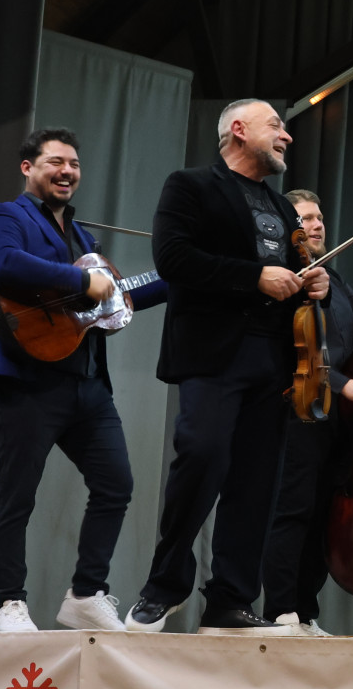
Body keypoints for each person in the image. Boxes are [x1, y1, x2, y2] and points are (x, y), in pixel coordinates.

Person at [123, 99, 328, 636]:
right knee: (202, 457)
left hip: (275, 359)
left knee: (256, 484)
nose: (287, 136)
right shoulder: (189, 185)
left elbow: (296, 273)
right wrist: (253, 276)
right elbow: (173, 260)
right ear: (238, 129)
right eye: (276, 126)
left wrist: (314, 282)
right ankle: (163, 587)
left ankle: (230, 602)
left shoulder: (283, 208)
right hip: (214, 354)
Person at [0, 128, 167, 633]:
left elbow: (112, 301)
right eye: (56, 162)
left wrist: (180, 277)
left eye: (74, 165)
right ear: (28, 167)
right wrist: (81, 280)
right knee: (17, 496)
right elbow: (1, 262)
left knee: (116, 484)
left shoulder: (84, 239)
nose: (67, 172)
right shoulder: (4, 215)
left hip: (86, 384)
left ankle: (85, 594)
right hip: (25, 380)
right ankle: (10, 603)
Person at [259, 189, 353, 634]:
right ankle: (279, 610)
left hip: (338, 421)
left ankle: (305, 613)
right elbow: (289, 356)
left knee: (324, 517)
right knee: (293, 511)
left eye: (320, 216)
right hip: (299, 411)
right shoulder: (283, 282)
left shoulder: (334, 280)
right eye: (306, 217)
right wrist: (344, 385)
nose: (317, 223)